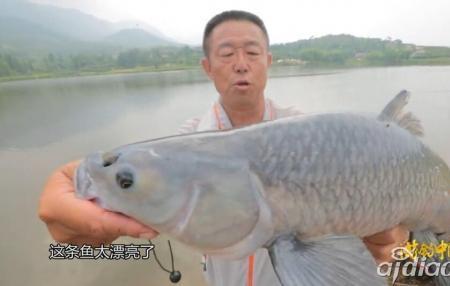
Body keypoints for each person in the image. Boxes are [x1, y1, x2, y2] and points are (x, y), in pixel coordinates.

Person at [39, 10, 409, 286]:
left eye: (251, 52)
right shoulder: (185, 139)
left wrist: (396, 250)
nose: (240, 65)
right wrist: (79, 231)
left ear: (268, 61)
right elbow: (78, 239)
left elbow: (385, 248)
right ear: (207, 67)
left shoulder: (312, 137)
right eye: (227, 53)